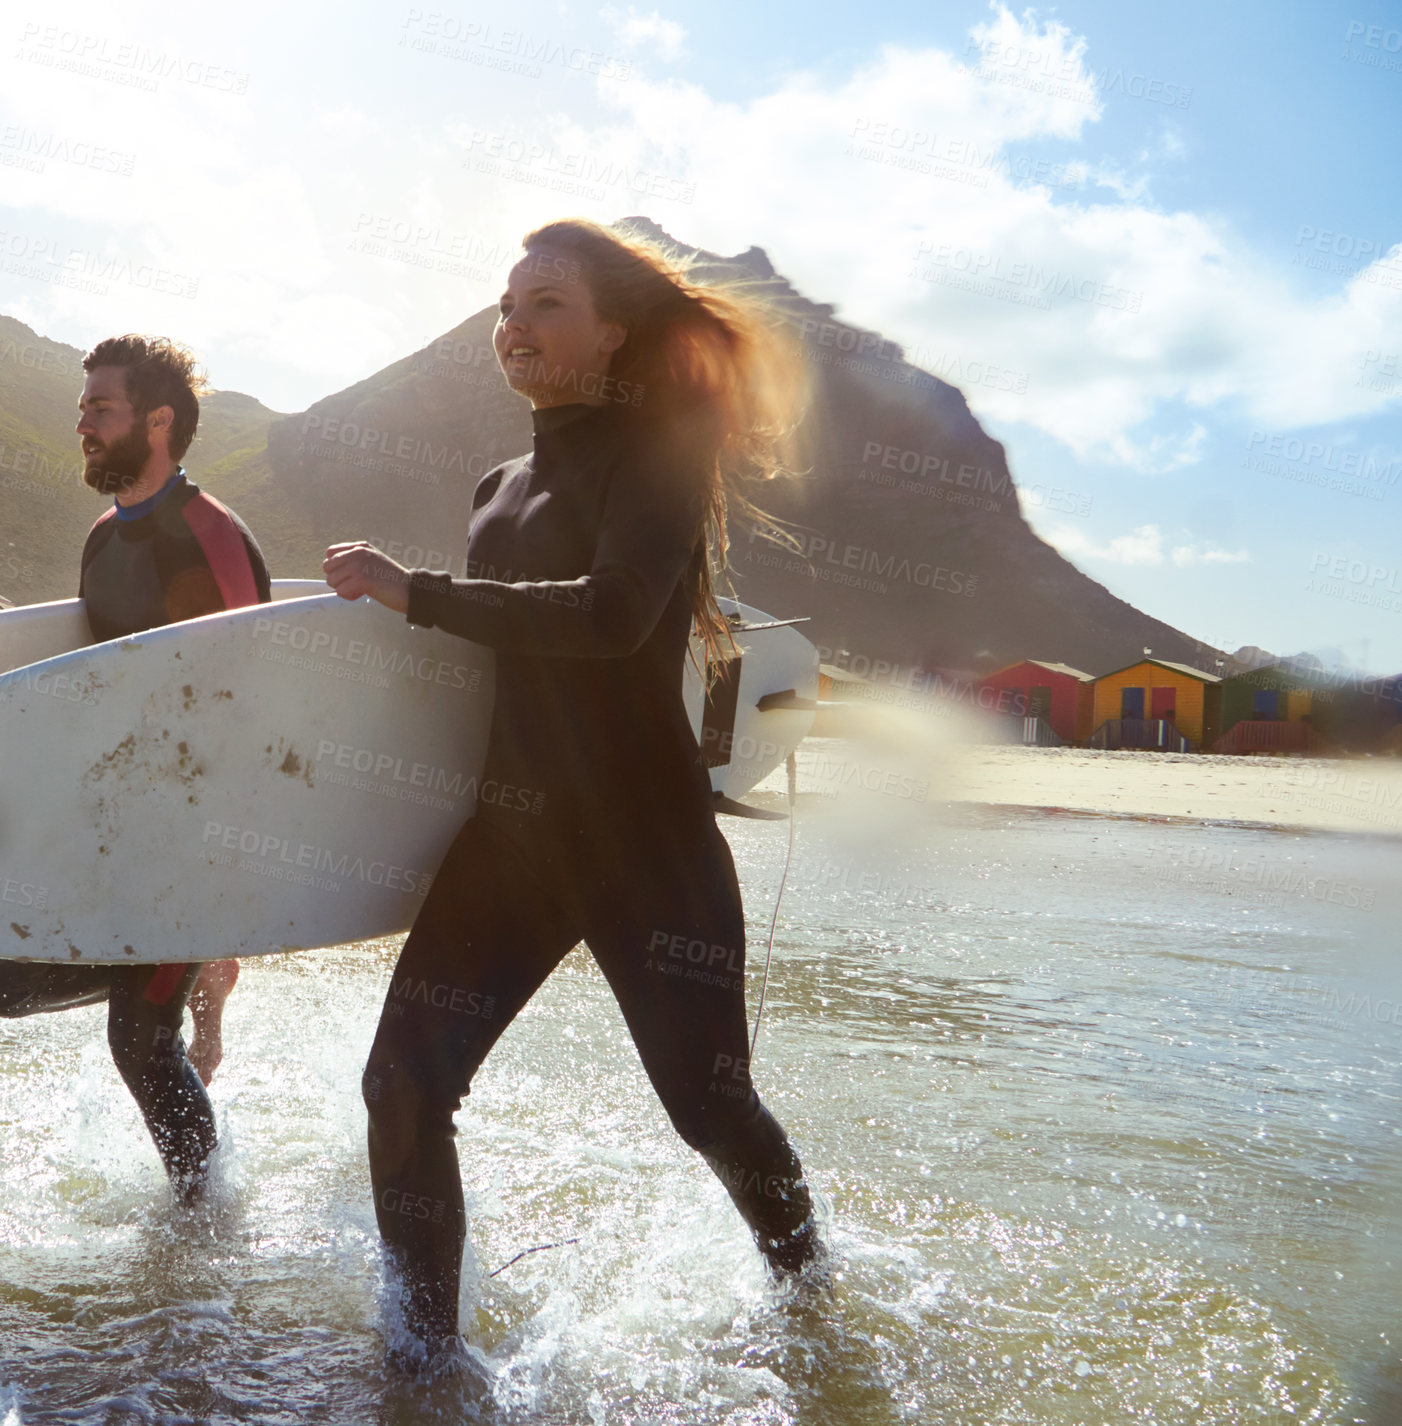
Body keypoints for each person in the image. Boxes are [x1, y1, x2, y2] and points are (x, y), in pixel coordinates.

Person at [324, 219, 823, 1369]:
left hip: (643, 841)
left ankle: (812, 1305)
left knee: (710, 1110)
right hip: (514, 840)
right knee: (400, 1083)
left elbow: (610, 616)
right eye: (507, 303)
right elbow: (479, 672)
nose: (516, 323)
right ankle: (425, 1363)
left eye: (547, 302)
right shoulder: (496, 484)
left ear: (611, 333)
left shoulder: (658, 450)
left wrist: (421, 593)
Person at [0, 335, 269, 1188]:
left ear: (157, 422)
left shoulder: (210, 533)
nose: (81, 420)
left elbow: (256, 711)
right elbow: (85, 697)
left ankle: (204, 1238)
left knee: (142, 1045)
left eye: (100, 407)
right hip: (108, 835)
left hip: (186, 850)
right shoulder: (96, 541)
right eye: (82, 405)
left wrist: (223, 918)